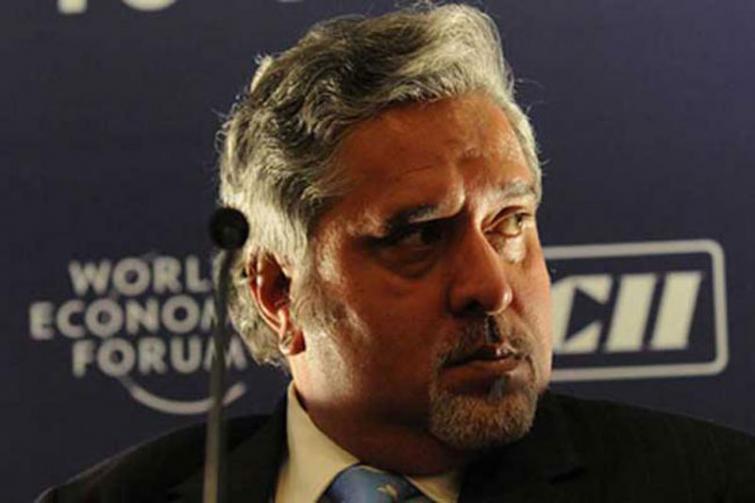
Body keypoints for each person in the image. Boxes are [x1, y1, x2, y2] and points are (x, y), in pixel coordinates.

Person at [39, 3, 755, 502]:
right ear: (278, 292)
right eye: (418, 235)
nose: (489, 286)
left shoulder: (712, 485)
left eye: (509, 222)